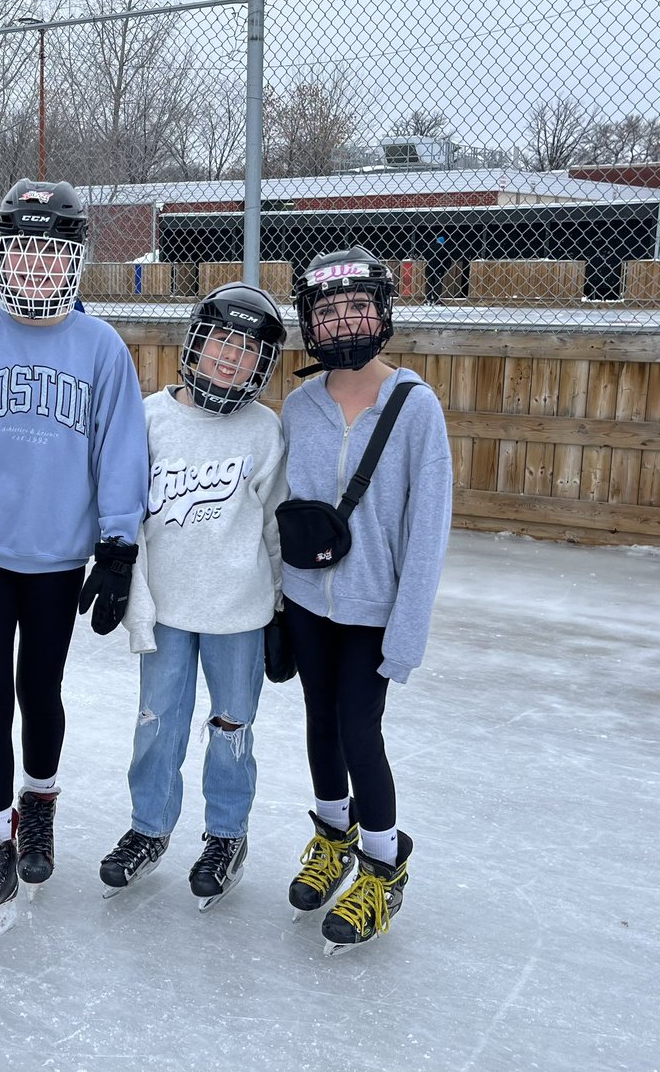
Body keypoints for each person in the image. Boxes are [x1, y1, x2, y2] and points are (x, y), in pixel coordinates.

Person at [0, 179, 149, 949]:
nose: (38, 268)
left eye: (53, 254)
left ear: (74, 262)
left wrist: (118, 544)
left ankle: (38, 805)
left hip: (56, 560)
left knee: (39, 690)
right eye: (24, 252)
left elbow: (119, 450)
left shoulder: (101, 348)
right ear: (1, 258)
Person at [281, 246, 452, 954]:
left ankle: (382, 862)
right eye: (328, 311)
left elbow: (427, 529)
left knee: (360, 728)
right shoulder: (297, 405)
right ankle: (331, 836)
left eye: (357, 306)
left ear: (382, 313)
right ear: (310, 324)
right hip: (305, 603)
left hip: (373, 612)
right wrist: (274, 610)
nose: (344, 321)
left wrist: (404, 635)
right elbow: (281, 511)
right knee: (320, 722)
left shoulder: (414, 408)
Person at [100, 283, 289, 911]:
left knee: (232, 727)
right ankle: (150, 827)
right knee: (158, 724)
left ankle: (226, 835)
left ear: (262, 368)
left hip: (240, 611)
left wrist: (283, 609)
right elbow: (125, 507)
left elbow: (273, 526)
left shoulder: (265, 431)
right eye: (221, 343)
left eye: (248, 352)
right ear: (196, 344)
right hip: (169, 608)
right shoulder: (151, 417)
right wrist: (124, 581)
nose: (230, 359)